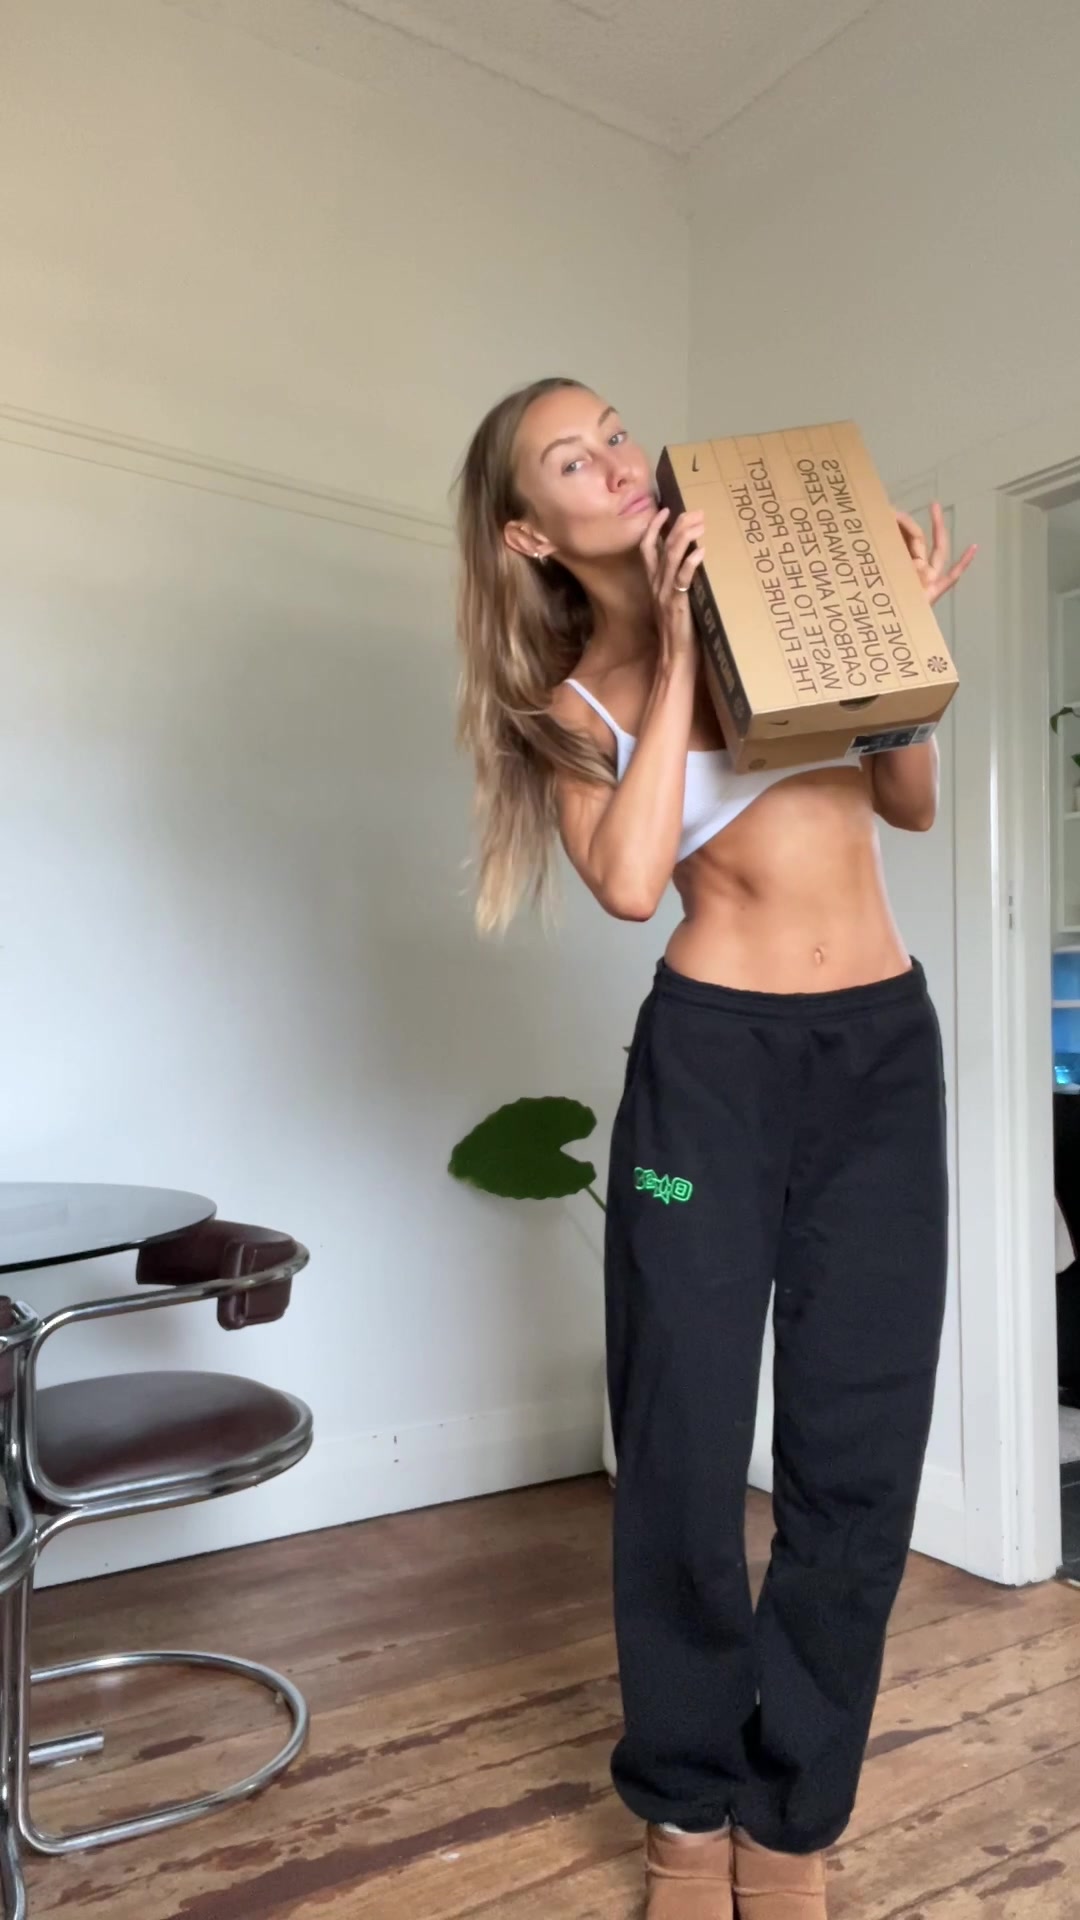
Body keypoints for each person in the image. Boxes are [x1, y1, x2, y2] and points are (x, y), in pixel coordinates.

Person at [455, 377, 975, 1920]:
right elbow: (629, 884)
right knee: (682, 1443)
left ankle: (791, 1818)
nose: (616, 462)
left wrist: (897, 642)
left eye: (616, 431)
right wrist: (680, 654)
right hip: (712, 1072)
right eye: (572, 459)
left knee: (858, 1444)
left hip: (881, 1054)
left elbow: (907, 803)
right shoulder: (573, 702)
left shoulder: (784, 604)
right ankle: (684, 1813)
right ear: (529, 533)